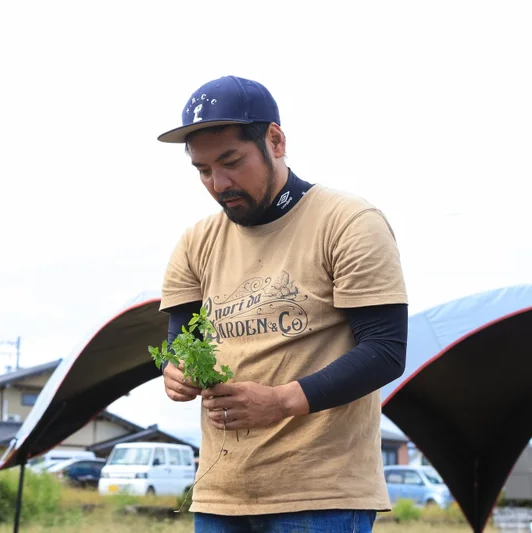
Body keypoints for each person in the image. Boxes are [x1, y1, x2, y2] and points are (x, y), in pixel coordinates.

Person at [156, 75, 409, 533]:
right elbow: (180, 342)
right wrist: (175, 373)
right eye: (203, 170)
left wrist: (280, 401)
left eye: (231, 161)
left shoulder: (348, 222)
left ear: (275, 139)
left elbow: (386, 351)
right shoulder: (196, 242)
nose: (219, 182)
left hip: (321, 496)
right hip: (221, 497)